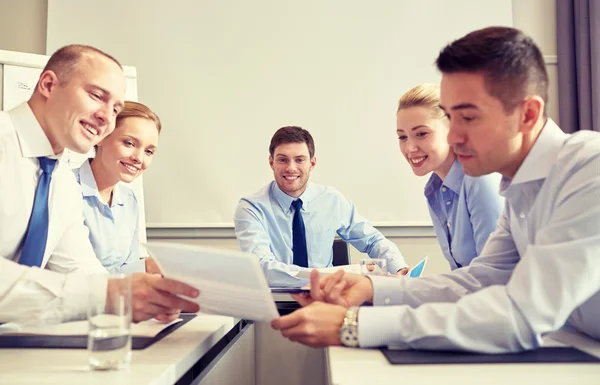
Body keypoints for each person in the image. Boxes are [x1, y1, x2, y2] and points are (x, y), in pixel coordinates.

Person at [271, 26, 600, 352]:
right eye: (451, 119)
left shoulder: (589, 168)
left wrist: (354, 326)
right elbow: (477, 281)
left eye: (468, 118)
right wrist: (372, 287)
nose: (454, 137)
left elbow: (521, 314)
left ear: (527, 115)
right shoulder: (516, 187)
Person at [0, 45, 199, 323]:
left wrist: (144, 296)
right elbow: (99, 292)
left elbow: (81, 271)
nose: (106, 117)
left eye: (115, 108)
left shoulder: (60, 181)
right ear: (48, 84)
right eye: (96, 96)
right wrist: (111, 295)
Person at [234, 126, 409, 287]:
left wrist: (398, 267)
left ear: (312, 163)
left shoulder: (331, 199)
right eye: (283, 160)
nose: (291, 168)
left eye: (300, 160)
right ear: (271, 162)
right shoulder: (251, 208)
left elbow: (373, 240)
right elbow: (263, 269)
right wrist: (336, 275)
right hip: (275, 301)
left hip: (326, 299)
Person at [396, 83, 503, 269]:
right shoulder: (435, 190)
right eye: (402, 137)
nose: (409, 148)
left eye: (421, 134)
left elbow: (495, 274)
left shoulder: (480, 179)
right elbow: (460, 274)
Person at [74, 101, 161, 273]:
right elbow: (74, 275)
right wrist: (146, 268)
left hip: (119, 298)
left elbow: (128, 267)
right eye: (129, 143)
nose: (139, 158)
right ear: (101, 137)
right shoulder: (65, 188)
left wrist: (146, 268)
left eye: (148, 152)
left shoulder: (129, 200)